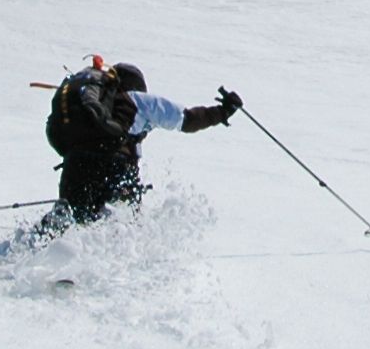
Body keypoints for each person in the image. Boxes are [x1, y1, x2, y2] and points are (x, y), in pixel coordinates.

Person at [40, 60, 240, 231]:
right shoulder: (137, 100)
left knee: (71, 219)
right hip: (115, 165)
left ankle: (39, 259)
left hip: (75, 163)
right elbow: (186, 120)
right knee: (119, 225)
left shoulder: (91, 109)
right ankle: (109, 271)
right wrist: (223, 112)